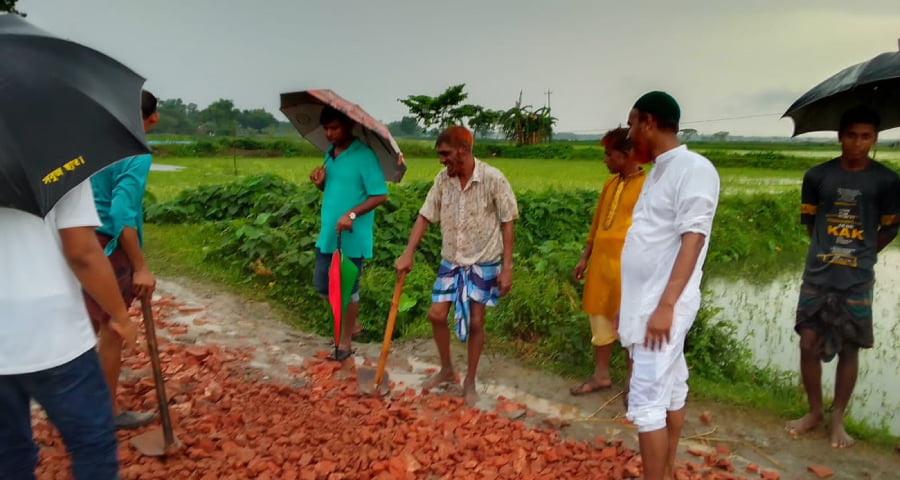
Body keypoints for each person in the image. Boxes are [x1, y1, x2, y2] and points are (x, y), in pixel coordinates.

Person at [1, 180, 139, 480]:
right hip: (52, 334)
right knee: (92, 444)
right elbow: (82, 253)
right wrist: (119, 315)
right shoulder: (57, 156)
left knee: (8, 452)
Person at [618, 91, 720, 480]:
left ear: (648, 121)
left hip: (662, 308)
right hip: (645, 304)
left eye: (631, 124)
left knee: (645, 404)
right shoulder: (660, 169)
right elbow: (652, 242)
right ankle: (669, 468)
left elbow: (693, 238)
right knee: (672, 389)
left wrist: (665, 306)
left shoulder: (693, 168)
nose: (629, 133)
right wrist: (627, 305)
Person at [785, 106, 899, 448]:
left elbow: (890, 228)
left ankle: (837, 419)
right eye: (851, 135)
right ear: (840, 137)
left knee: (851, 347)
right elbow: (811, 225)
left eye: (866, 136)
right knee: (807, 341)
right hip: (818, 274)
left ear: (875, 138)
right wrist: (828, 250)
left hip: (857, 278)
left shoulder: (887, 180)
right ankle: (815, 412)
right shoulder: (818, 176)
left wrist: (862, 254)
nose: (858, 143)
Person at [395, 126, 518, 406]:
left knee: (476, 322)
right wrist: (408, 252)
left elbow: (507, 221)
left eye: (445, 154)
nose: (442, 160)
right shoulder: (442, 180)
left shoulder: (492, 178)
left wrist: (507, 267)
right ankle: (447, 370)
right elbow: (425, 216)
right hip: (451, 261)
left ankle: (470, 381)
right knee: (436, 315)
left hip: (483, 262)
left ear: (463, 150)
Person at [83, 89, 159, 429]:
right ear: (151, 119)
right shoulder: (136, 154)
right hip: (110, 247)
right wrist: (141, 267)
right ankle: (106, 413)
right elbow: (122, 214)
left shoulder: (94, 145)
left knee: (83, 327)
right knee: (113, 328)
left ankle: (76, 405)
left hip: (80, 240)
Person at [570, 127, 646, 396]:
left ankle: (633, 383)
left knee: (630, 327)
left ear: (626, 155)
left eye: (609, 155)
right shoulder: (609, 185)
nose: (605, 160)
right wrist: (584, 257)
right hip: (601, 266)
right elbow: (597, 225)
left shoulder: (646, 187)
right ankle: (601, 376)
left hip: (628, 270)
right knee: (599, 322)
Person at [309, 106, 388, 361]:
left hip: (353, 236)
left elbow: (380, 194)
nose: (329, 134)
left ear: (349, 127)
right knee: (323, 285)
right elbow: (335, 190)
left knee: (347, 288)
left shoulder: (364, 156)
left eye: (335, 128)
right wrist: (320, 183)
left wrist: (351, 215)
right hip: (329, 235)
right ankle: (351, 323)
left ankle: (344, 344)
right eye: (326, 129)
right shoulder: (329, 155)